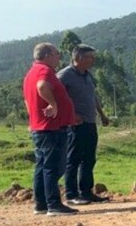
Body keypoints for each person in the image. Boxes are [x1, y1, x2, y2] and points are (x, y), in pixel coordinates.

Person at [22, 42, 78, 215]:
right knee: (54, 166)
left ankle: (41, 204)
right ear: (47, 55)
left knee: (42, 166)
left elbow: (27, 100)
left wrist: (33, 117)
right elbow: (42, 87)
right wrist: (53, 104)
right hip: (51, 127)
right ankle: (54, 204)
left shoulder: (30, 73)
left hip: (40, 127)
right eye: (56, 53)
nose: (59, 57)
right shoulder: (44, 71)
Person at [57, 44, 110, 204]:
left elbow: (93, 97)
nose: (93, 60)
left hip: (90, 122)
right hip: (75, 125)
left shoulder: (87, 75)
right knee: (73, 159)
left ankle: (86, 192)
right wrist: (71, 115)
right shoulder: (64, 75)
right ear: (78, 58)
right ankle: (71, 194)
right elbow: (55, 95)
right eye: (90, 57)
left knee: (89, 158)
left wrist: (101, 114)